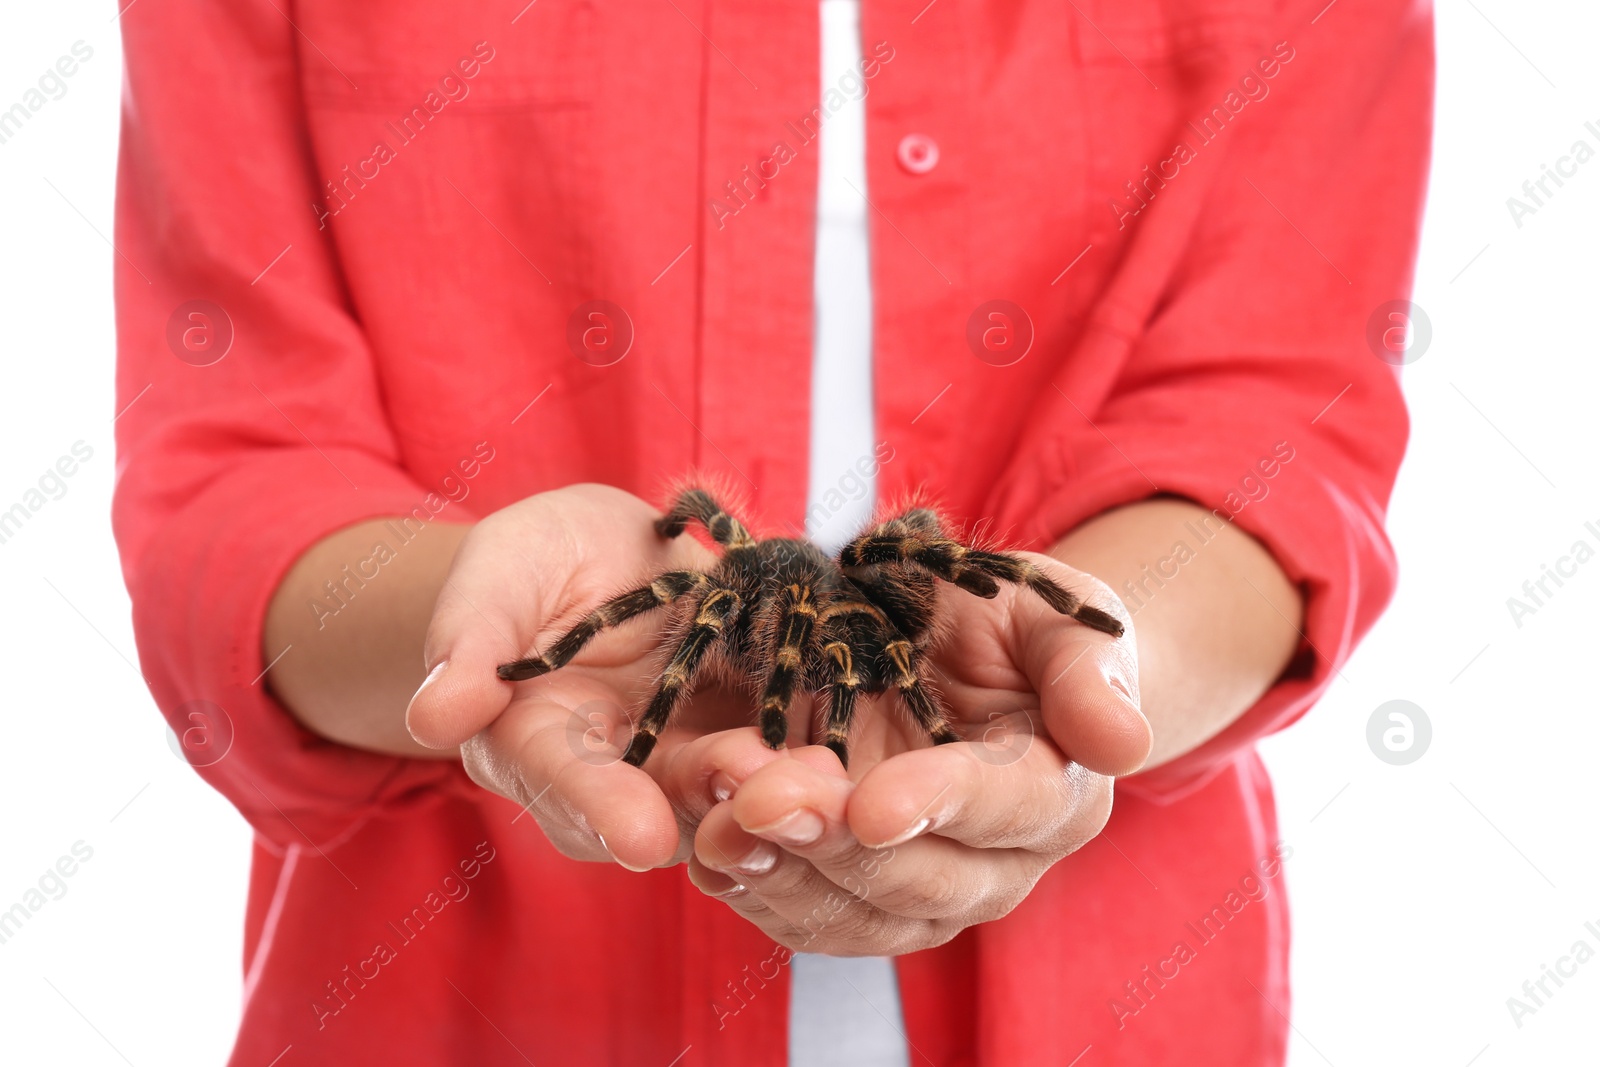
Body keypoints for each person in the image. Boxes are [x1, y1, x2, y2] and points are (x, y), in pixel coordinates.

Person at [112, 0, 1430, 1063]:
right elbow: (236, 481)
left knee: (895, 561)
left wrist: (1102, 648)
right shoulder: (725, 589)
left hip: (1122, 1009)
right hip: (460, 1005)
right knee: (726, 595)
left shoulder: (891, 593)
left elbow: (1281, 426)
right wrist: (482, 609)